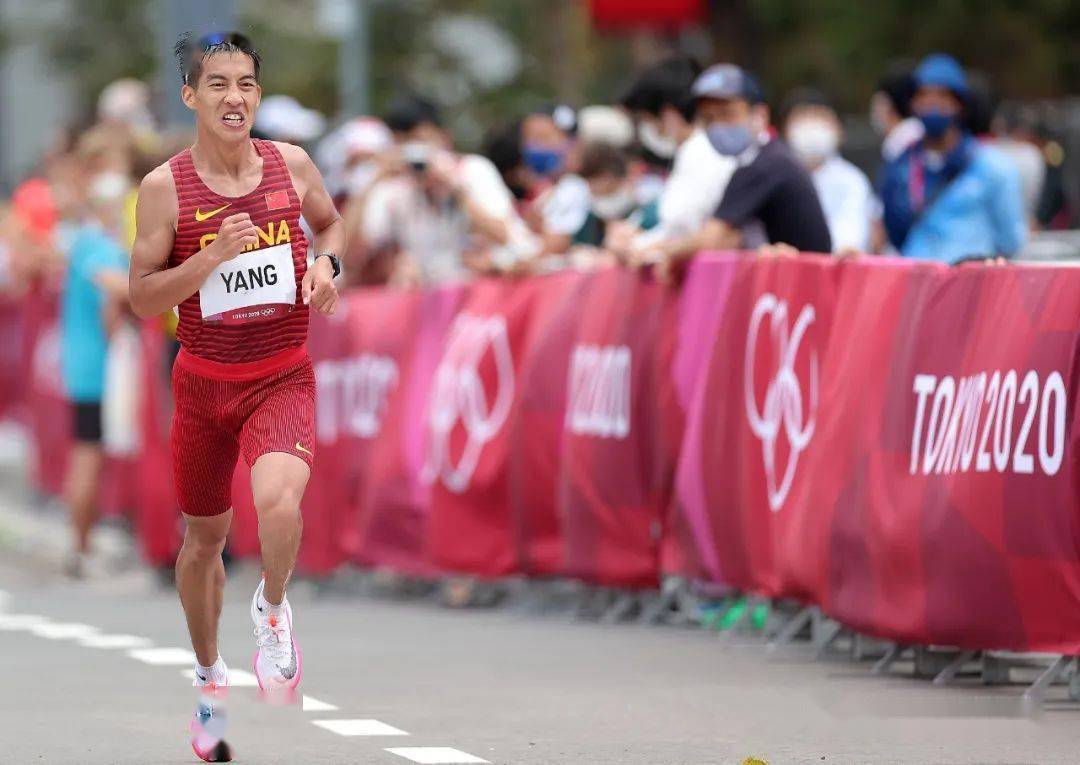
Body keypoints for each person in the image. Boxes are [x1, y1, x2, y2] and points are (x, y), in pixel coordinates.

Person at [128, 32, 343, 762]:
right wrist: (212, 258)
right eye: (216, 84)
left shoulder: (291, 164)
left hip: (282, 373)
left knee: (280, 501)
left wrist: (328, 265)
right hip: (203, 385)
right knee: (202, 544)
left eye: (246, 83)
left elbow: (332, 225)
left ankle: (274, 609)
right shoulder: (165, 187)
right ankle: (209, 682)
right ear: (190, 95)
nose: (234, 98)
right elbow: (140, 295)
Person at [654, 63, 832, 278]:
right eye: (709, 118)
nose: (717, 126)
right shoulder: (760, 160)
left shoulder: (764, 166)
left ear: (760, 115)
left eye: (727, 114)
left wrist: (661, 252)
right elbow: (730, 238)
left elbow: (713, 238)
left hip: (801, 290)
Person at [358, 94, 536, 284]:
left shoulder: (472, 170)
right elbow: (356, 253)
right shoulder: (396, 190)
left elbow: (507, 237)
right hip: (438, 302)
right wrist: (373, 180)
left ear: (444, 137)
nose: (411, 153)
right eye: (401, 144)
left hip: (486, 296)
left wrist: (453, 190)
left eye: (418, 141)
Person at [879, 54, 1026, 263]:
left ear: (959, 103)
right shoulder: (900, 167)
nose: (932, 104)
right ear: (913, 103)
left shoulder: (992, 167)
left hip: (973, 287)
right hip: (919, 286)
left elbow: (1011, 241)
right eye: (924, 95)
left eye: (942, 96)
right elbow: (894, 230)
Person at [60, 170, 130, 578]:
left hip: (89, 366)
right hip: (96, 370)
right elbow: (114, 289)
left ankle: (84, 543)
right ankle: (80, 546)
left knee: (92, 455)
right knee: (88, 455)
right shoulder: (96, 244)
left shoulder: (91, 242)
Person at [616, 56, 735, 259]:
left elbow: (688, 227)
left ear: (669, 115)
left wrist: (640, 246)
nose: (648, 129)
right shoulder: (691, 153)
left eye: (647, 120)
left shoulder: (705, 154)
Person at [782, 89, 875, 254]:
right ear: (786, 129)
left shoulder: (851, 180)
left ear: (839, 130)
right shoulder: (776, 177)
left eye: (820, 117)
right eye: (803, 117)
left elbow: (850, 240)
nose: (811, 127)